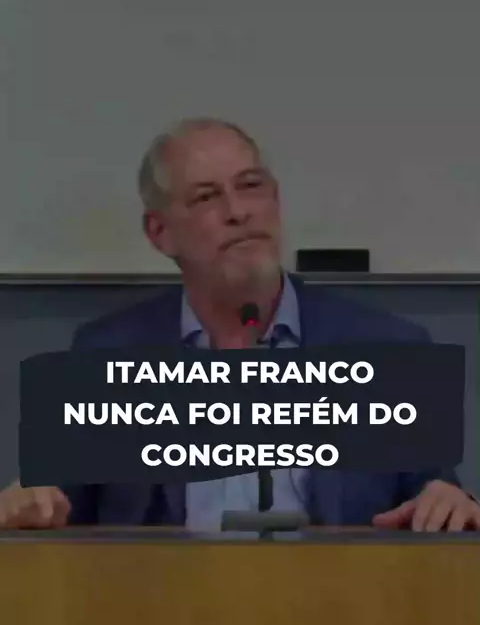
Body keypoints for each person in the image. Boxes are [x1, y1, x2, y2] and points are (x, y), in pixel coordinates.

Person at [1, 117, 479, 532]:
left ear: (276, 200)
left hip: (341, 601)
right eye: (207, 197)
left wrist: (450, 502)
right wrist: (30, 503)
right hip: (163, 603)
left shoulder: (386, 346)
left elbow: (435, 495)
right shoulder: (106, 353)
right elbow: (56, 505)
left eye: (251, 186)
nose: (238, 212)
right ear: (160, 232)